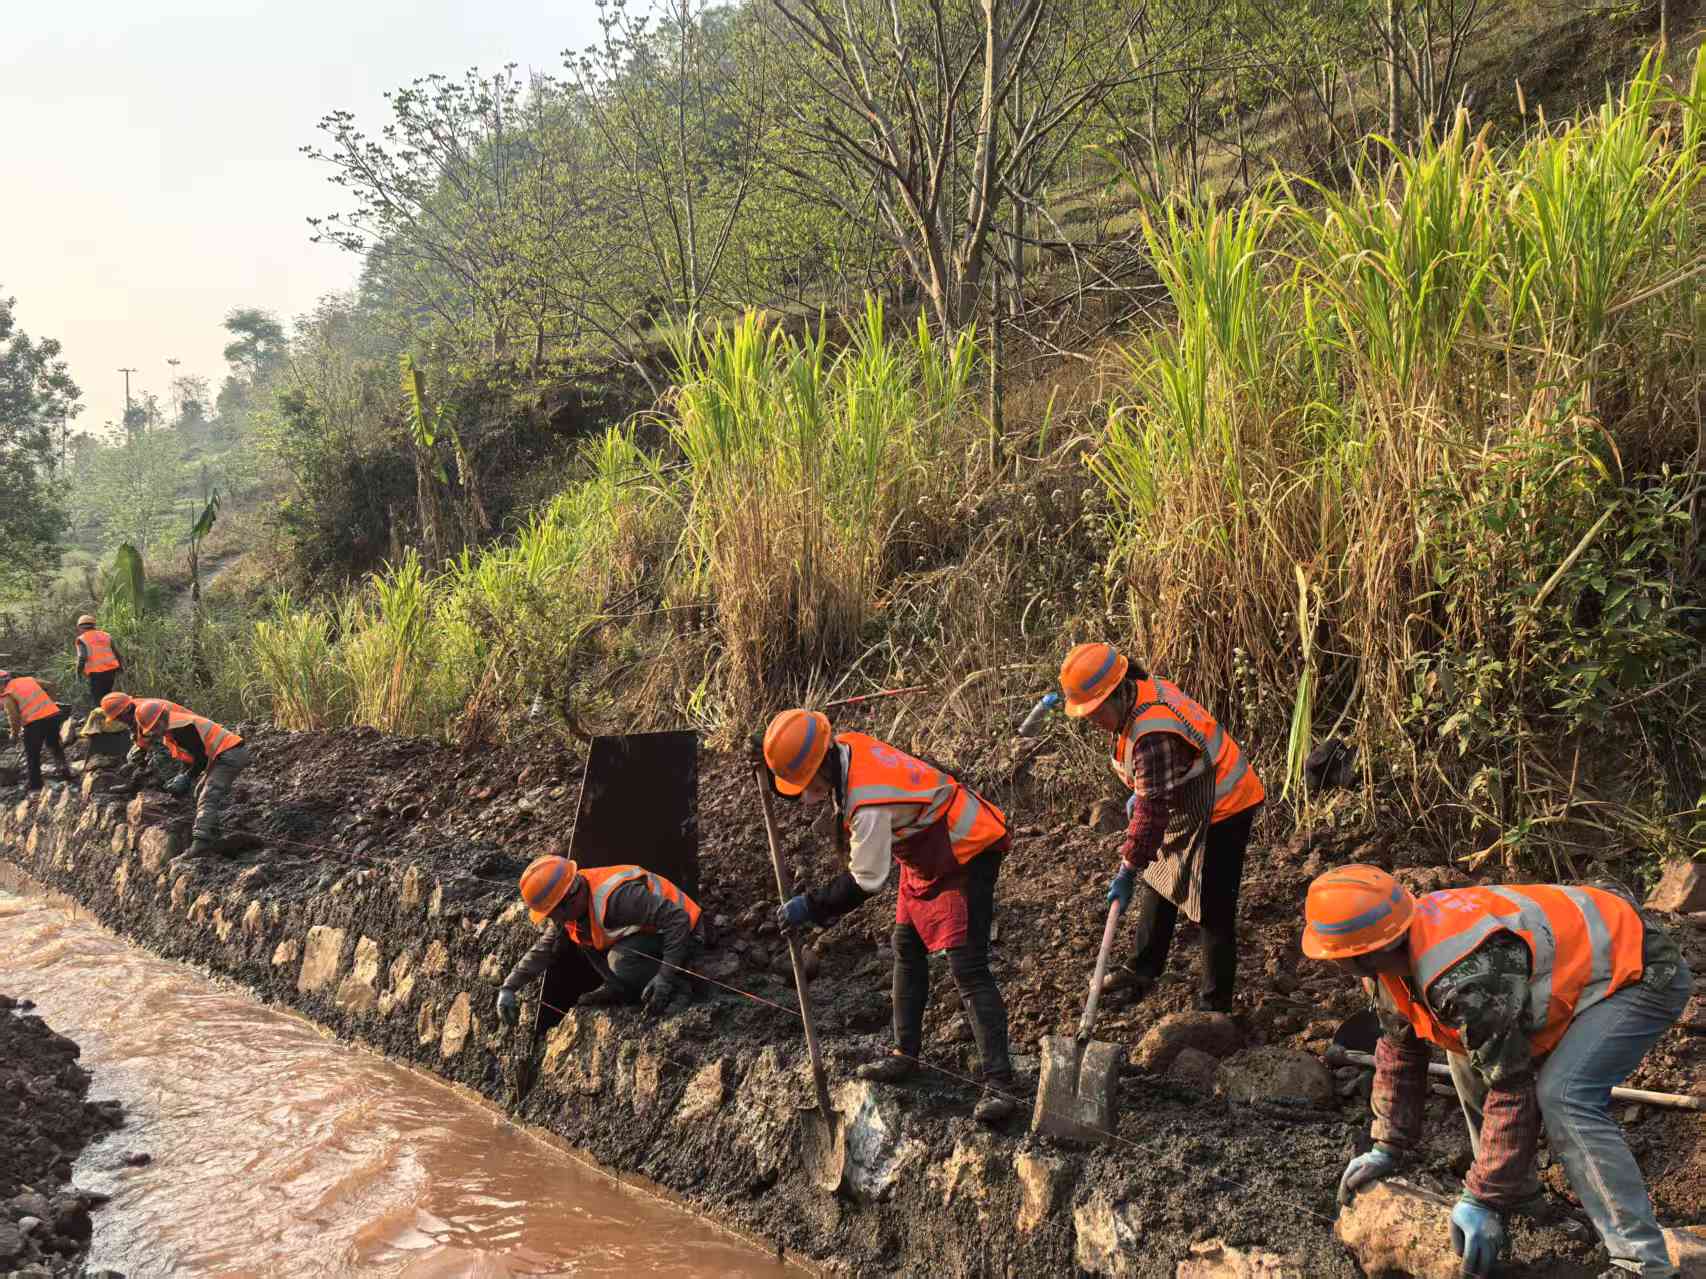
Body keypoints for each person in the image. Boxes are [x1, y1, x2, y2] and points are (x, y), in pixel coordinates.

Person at [1303, 864, 1692, 1279]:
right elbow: (1399, 1049)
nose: (1334, 964)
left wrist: (1483, 1196)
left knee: (1565, 1095)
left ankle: (1641, 1263)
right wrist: (1387, 1145)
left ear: (1358, 955)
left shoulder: (1464, 977)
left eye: (1335, 957)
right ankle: (1518, 1197)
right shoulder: (1389, 962)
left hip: (1639, 968)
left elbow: (1511, 1085)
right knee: (1465, 1052)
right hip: (1584, 961)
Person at [760, 708, 1017, 1123]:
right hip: (924, 847)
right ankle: (905, 1054)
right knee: (906, 947)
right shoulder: (847, 747)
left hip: (964, 845)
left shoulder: (868, 804)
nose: (804, 796)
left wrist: (811, 906)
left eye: (804, 784)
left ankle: (999, 1083)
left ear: (820, 766)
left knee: (967, 965)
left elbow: (867, 880)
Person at [1056, 641, 1264, 1013]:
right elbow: (1157, 786)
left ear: (1116, 692)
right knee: (1158, 879)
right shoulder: (1139, 692)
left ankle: (1214, 1006)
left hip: (1226, 804)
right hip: (1187, 799)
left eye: (1095, 711)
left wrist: (1127, 868)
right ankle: (1142, 969)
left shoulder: (1152, 735)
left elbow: (1151, 816)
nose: (1092, 720)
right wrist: (1144, 792)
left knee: (1213, 907)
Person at [495, 855, 704, 1022]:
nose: (553, 920)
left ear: (569, 899)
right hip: (653, 935)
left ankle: (678, 989)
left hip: (687, 933)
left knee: (622, 959)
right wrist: (509, 987)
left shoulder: (618, 899)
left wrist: (665, 977)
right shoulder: (573, 908)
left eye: (552, 913)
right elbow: (545, 949)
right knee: (584, 939)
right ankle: (621, 988)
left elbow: (678, 920)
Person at [101, 693, 249, 857]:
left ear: (162, 719)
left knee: (208, 795)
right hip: (220, 754)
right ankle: (213, 835)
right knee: (199, 792)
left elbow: (201, 758)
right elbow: (189, 757)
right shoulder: (169, 729)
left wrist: (187, 777)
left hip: (230, 754)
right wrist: (182, 775)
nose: (154, 733)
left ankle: (201, 842)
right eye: (151, 730)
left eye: (155, 728)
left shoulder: (182, 728)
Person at [1, 670, 71, 792]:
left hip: (34, 723)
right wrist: (51, 702)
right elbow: (50, 685)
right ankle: (65, 771)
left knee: (32, 753)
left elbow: (14, 717)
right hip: (52, 715)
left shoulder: (7, 694)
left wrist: (14, 734)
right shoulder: (28, 680)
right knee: (54, 744)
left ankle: (35, 783)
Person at [73, 615, 123, 705]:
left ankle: (101, 713)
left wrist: (78, 673)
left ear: (79, 627)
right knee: (108, 696)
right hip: (111, 671)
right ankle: (110, 711)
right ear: (94, 625)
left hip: (96, 673)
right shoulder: (106, 635)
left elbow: (82, 657)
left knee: (98, 699)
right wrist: (121, 667)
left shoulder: (82, 639)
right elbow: (116, 652)